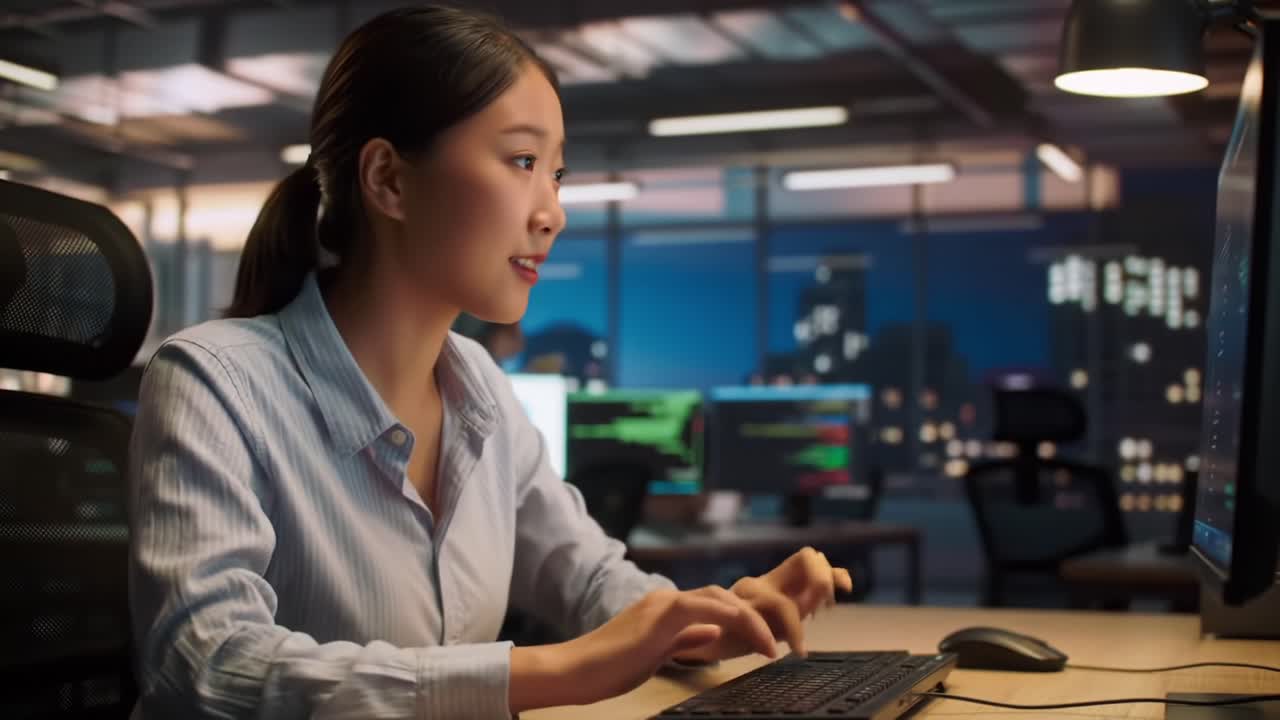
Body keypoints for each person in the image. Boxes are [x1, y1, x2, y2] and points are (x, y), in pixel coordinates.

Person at [127, 6, 853, 718]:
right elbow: (206, 661)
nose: (553, 213)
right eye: (523, 161)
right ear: (388, 180)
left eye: (557, 175)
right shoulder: (215, 382)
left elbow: (590, 576)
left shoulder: (480, 390)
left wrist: (708, 620)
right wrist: (553, 669)